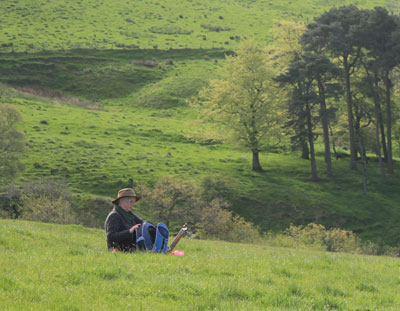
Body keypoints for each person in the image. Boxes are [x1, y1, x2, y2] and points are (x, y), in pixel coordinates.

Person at [104, 188, 144, 252]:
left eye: (133, 202)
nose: (132, 204)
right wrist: (130, 231)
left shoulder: (131, 215)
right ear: (121, 201)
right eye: (131, 202)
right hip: (117, 251)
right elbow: (111, 237)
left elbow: (143, 224)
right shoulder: (114, 216)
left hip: (132, 249)